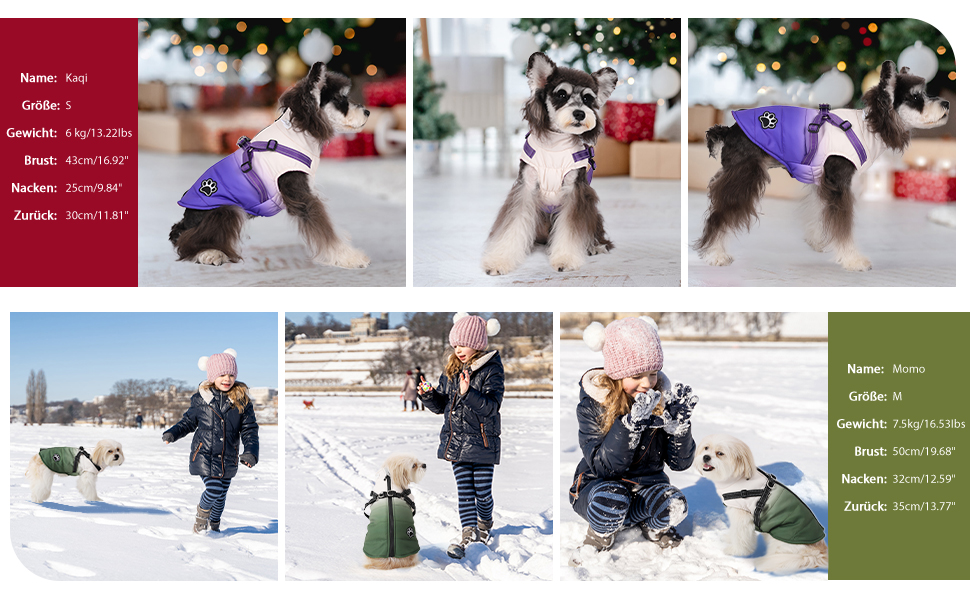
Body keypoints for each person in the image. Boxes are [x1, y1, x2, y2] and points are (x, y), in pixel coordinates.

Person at [569, 317, 697, 551]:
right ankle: (600, 534)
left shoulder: (661, 400)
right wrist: (629, 426)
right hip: (599, 488)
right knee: (611, 499)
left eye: (653, 373)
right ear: (617, 375)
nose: (647, 383)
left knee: (675, 504)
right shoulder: (593, 406)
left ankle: (652, 527)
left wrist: (678, 428)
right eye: (637, 376)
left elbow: (680, 464)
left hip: (645, 490)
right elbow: (603, 468)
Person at [418, 313, 503, 559]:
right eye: (455, 345)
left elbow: (491, 406)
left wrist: (467, 393)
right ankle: (468, 531)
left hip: (483, 444)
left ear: (476, 343)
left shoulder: (492, 369)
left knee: (483, 493)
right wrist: (429, 395)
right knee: (465, 492)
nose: (458, 350)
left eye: (462, 345)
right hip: (457, 444)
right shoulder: (451, 370)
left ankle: (485, 525)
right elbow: (441, 406)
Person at [163, 349, 259, 534]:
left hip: (228, 456)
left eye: (231, 374)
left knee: (221, 496)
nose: (227, 378)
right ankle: (200, 520)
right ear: (212, 376)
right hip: (204, 454)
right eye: (222, 374)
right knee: (214, 489)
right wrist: (173, 433)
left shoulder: (242, 401)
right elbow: (188, 422)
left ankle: (215, 526)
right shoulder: (201, 399)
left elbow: (249, 429)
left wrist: (251, 452)